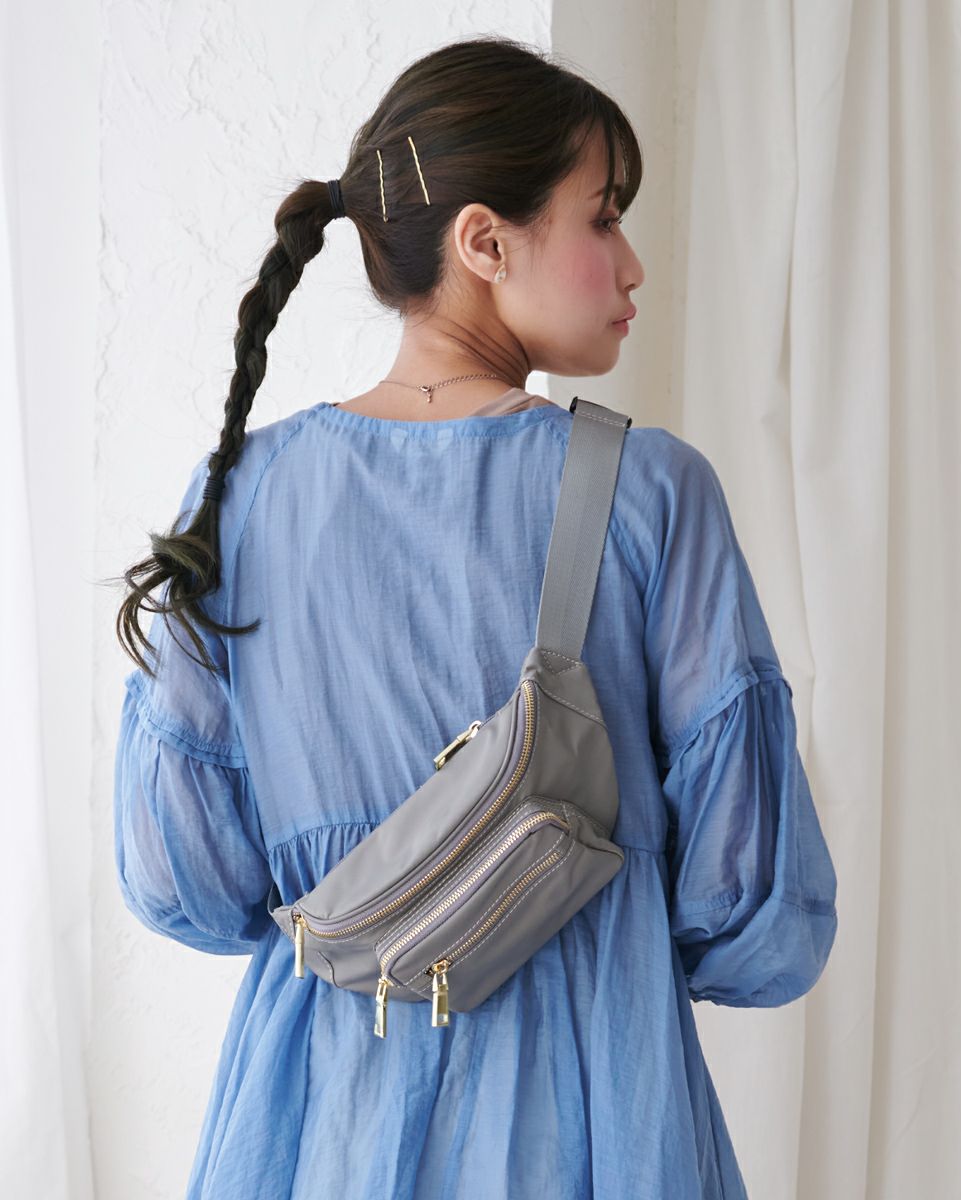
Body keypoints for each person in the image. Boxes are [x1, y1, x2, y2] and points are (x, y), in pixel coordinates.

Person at [110, 33, 838, 1200]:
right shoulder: (649, 491)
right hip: (594, 1104)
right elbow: (749, 910)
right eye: (604, 218)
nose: (633, 264)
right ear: (485, 242)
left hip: (320, 1116)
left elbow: (184, 877)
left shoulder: (238, 498)